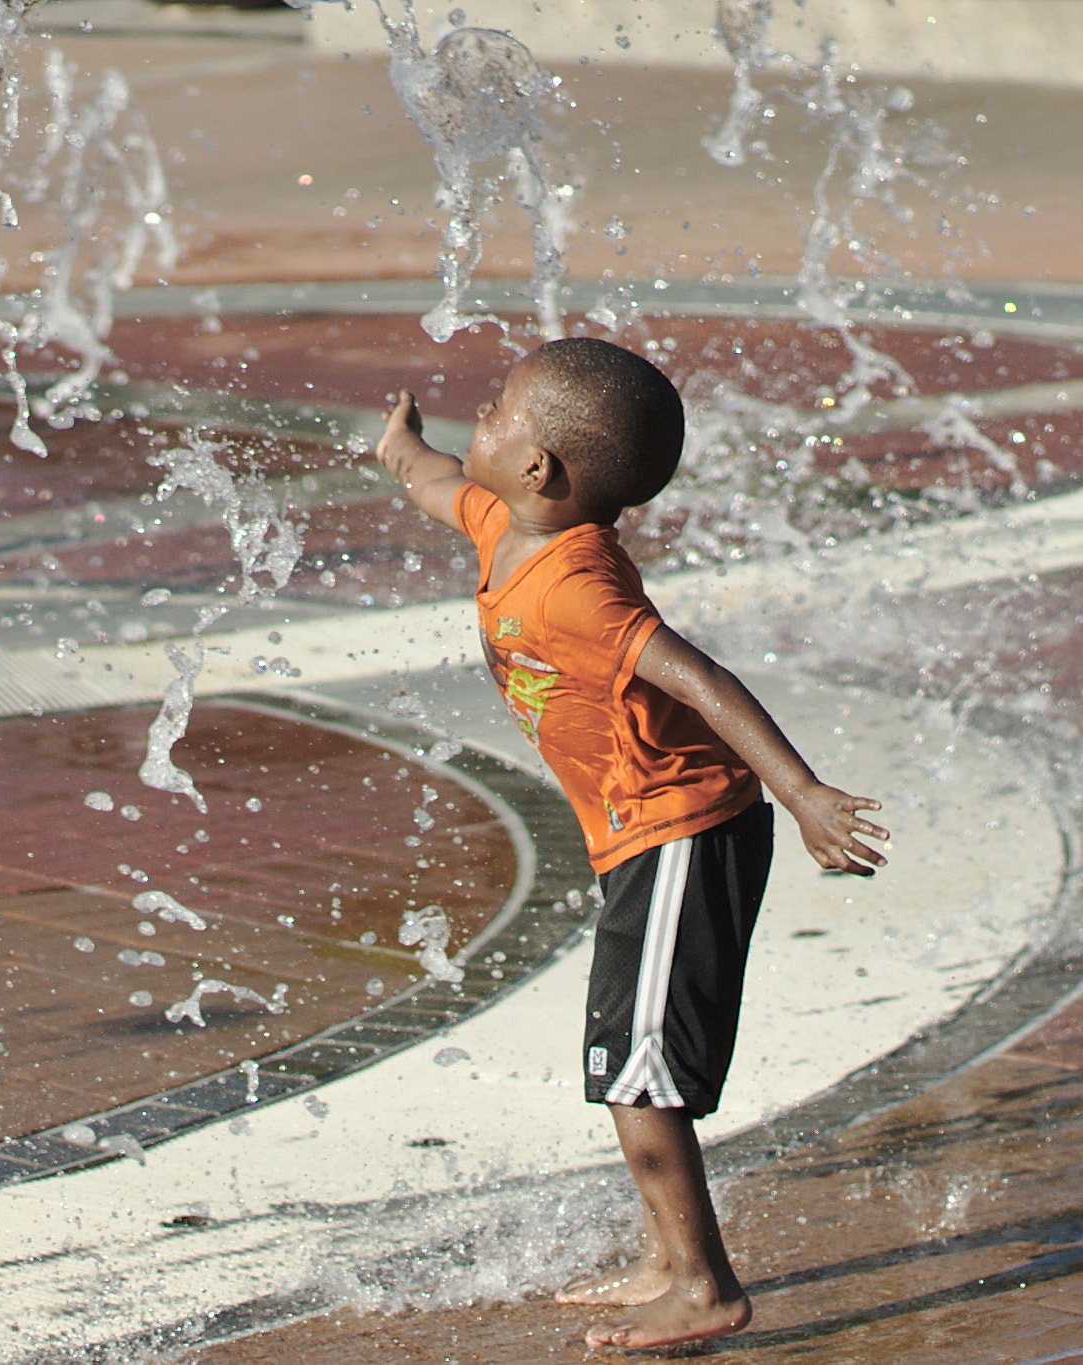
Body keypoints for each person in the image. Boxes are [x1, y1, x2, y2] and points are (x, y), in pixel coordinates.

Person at [374, 336, 889, 1351]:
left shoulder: (577, 588)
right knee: (625, 1067)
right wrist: (399, 448)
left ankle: (703, 1286)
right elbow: (434, 480)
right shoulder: (498, 521)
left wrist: (802, 795)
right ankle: (664, 1259)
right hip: (641, 839)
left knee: (637, 1075)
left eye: (493, 417)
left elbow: (699, 679)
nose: (474, 429)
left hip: (683, 836)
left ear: (539, 470)